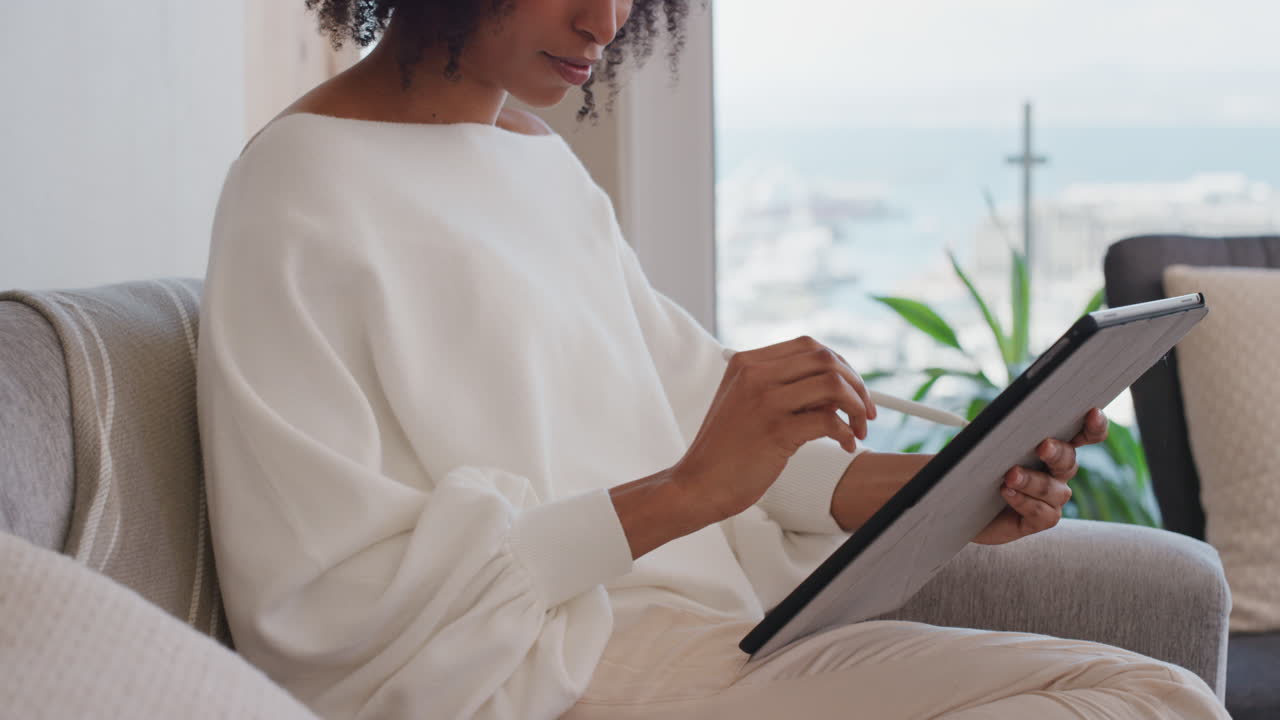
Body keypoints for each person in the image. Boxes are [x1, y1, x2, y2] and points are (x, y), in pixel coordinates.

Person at [194, 1, 1230, 718]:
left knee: (1144, 694)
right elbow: (318, 611)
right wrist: (687, 489)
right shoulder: (299, 190)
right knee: (1144, 701)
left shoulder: (533, 162)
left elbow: (711, 434)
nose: (603, 24)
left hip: (711, 641)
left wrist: (952, 490)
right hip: (551, 674)